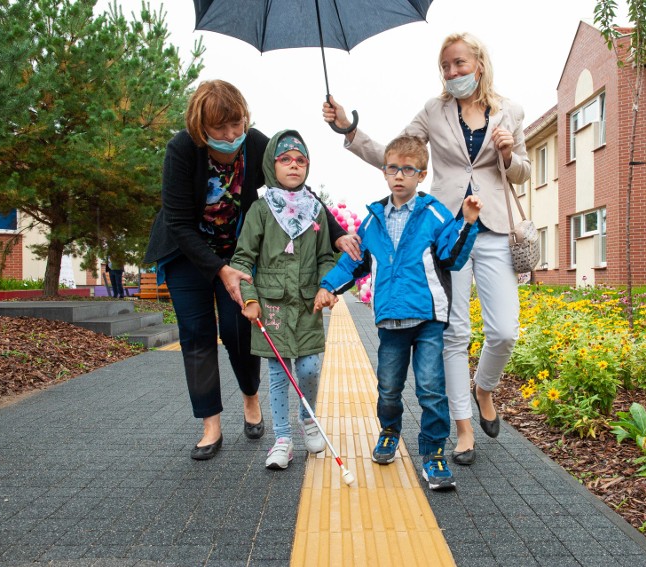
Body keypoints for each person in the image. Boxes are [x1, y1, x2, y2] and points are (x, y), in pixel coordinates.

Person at [323, 32, 531, 465]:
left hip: (490, 227)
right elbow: (395, 153)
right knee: (453, 332)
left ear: (479, 61)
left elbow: (523, 173)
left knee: (505, 330)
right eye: (445, 66)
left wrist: (509, 156)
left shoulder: (510, 111)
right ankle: (462, 428)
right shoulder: (433, 111)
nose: (452, 73)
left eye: (459, 64)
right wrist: (349, 129)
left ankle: (484, 388)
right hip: (443, 231)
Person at [143, 80, 359, 460]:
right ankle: (210, 425)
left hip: (239, 252)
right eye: (220, 129)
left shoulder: (256, 144)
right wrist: (217, 269)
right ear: (201, 128)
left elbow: (298, 195)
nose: (231, 135)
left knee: (238, 329)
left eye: (237, 124)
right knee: (197, 334)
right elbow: (177, 222)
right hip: (187, 252)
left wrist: (338, 234)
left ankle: (251, 398)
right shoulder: (181, 150)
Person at [315, 136, 482, 490]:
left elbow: (452, 257)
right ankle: (389, 431)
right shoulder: (374, 220)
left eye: (409, 169)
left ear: (421, 175)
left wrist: (467, 222)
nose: (400, 176)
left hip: (427, 320)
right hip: (390, 320)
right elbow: (354, 261)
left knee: (431, 389)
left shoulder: (434, 213)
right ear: (384, 172)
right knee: (389, 387)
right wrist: (329, 286)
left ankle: (433, 454)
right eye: (393, 168)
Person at [231, 130, 335, 470]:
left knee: (309, 368)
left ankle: (308, 418)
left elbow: (326, 258)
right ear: (271, 164)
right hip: (271, 306)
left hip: (307, 305)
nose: (294, 165)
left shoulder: (316, 211)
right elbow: (243, 259)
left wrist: (326, 285)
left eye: (301, 160)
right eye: (285, 159)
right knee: (277, 375)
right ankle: (282, 439)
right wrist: (249, 297)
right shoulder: (261, 210)